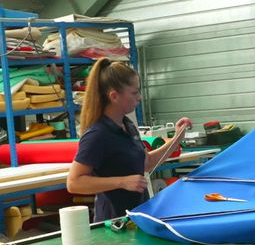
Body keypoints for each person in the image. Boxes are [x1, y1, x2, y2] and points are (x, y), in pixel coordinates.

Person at [67, 58, 192, 222]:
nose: (139, 97)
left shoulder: (128, 125)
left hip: (138, 215)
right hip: (114, 222)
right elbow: (74, 182)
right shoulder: (97, 135)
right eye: (134, 92)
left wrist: (176, 138)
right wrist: (122, 182)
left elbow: (146, 163)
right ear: (114, 96)